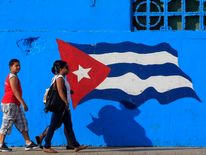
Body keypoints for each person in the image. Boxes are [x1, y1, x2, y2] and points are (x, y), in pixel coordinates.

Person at [42, 60, 87, 153]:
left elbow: (63, 90)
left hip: (62, 106)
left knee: (68, 126)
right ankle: (46, 146)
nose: (68, 69)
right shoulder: (59, 78)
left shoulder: (60, 77)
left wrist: (69, 92)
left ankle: (75, 145)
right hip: (60, 106)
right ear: (61, 69)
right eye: (66, 67)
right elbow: (60, 91)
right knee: (53, 125)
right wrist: (66, 102)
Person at [0, 59, 38, 152]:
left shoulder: (14, 76)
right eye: (16, 65)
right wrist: (23, 102)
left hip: (15, 104)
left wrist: (19, 103)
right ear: (10, 67)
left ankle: (28, 143)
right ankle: (1, 144)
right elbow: (15, 91)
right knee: (6, 124)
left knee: (22, 123)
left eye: (19, 65)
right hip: (10, 103)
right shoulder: (12, 77)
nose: (18, 67)